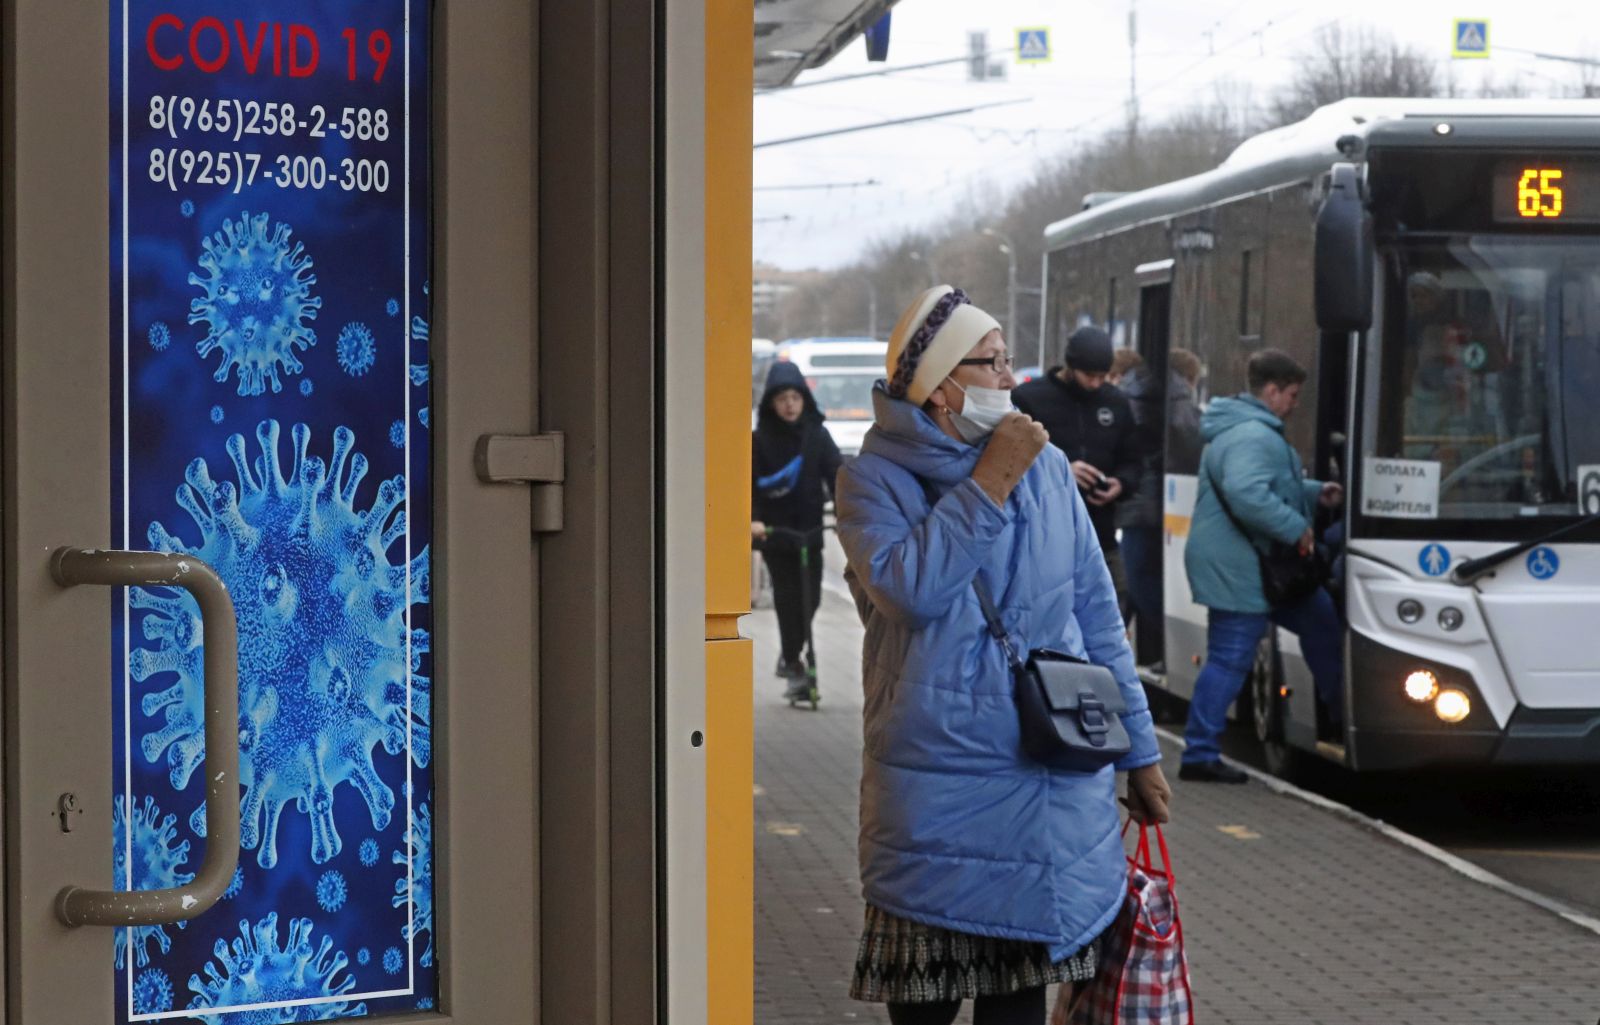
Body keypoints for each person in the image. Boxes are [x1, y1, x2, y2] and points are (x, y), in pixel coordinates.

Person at [835, 285, 1171, 1025]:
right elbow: (910, 590)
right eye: (991, 363)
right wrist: (989, 482)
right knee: (923, 1011)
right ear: (941, 386)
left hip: (1044, 786)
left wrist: (1138, 752)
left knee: (1016, 1008)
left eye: (1009, 359)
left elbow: (1096, 613)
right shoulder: (870, 481)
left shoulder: (1046, 468)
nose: (1010, 379)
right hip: (936, 797)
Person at [1180, 349, 1344, 783]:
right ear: (1271, 391)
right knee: (1231, 657)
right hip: (1243, 567)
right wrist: (1297, 527)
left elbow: (1266, 485)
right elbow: (1248, 493)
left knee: (1321, 620)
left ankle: (1341, 710)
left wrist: (1311, 493)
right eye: (1291, 394)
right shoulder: (1253, 434)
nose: (1293, 403)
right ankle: (1198, 753)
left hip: (1254, 567)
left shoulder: (1244, 429)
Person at [1013, 326, 1143, 598]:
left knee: (1117, 605)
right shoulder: (1029, 399)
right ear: (1070, 366)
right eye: (1089, 376)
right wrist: (1060, 473)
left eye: (1102, 377)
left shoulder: (1116, 402)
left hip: (1101, 535)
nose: (1096, 384)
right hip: (1043, 539)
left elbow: (1133, 460)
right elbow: (1009, 464)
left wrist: (1121, 484)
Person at [752, 361, 842, 691]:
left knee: (812, 598)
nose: (789, 405)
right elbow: (748, 485)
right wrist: (754, 519)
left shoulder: (817, 436)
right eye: (782, 399)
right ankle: (791, 657)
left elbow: (837, 476)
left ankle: (790, 656)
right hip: (775, 535)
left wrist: (848, 512)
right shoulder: (759, 440)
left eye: (795, 397)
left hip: (809, 532)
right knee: (788, 599)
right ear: (771, 404)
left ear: (804, 399)